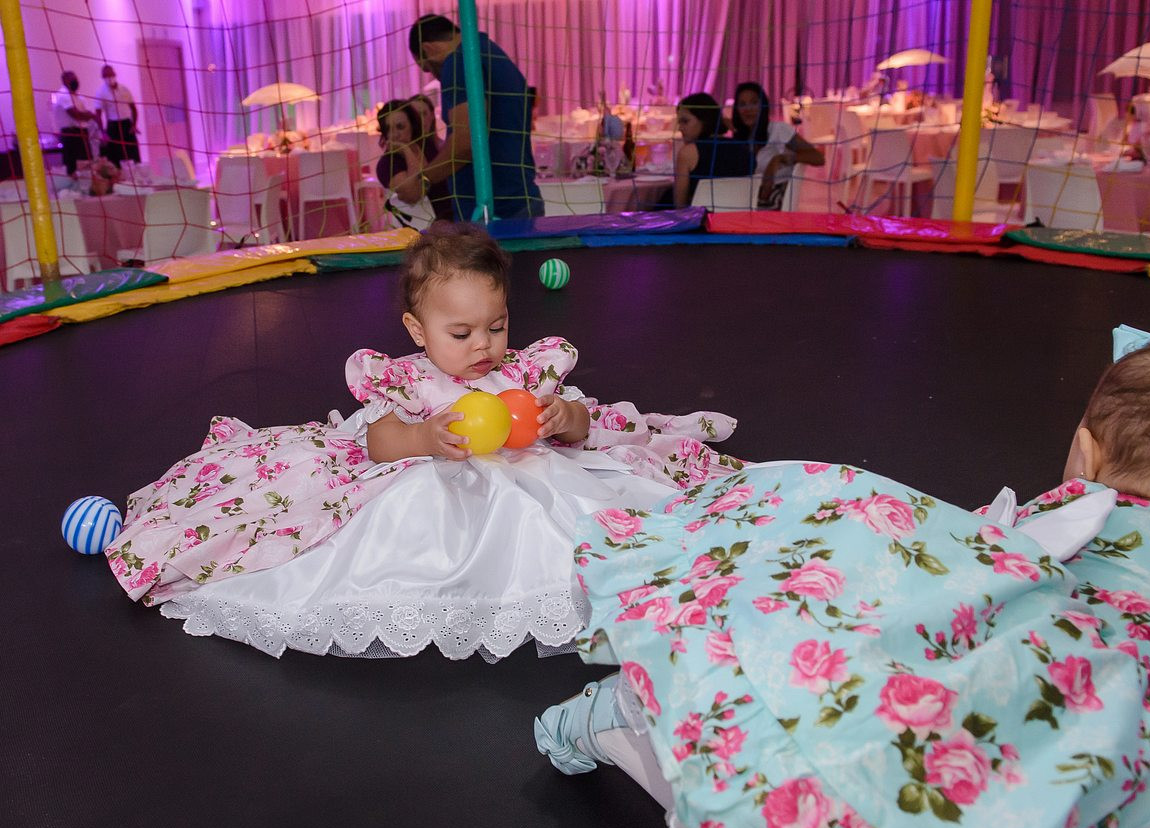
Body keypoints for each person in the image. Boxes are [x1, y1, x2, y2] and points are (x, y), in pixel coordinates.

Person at [536, 323, 1150, 828]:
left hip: (947, 676)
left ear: (1085, 452)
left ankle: (632, 711)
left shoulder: (1058, 511)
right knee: (908, 823)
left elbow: (956, 571)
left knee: (794, 731)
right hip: (1057, 724)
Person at [104, 222, 740, 660]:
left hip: (531, 479)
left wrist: (560, 418)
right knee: (398, 522)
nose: (483, 345)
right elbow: (379, 443)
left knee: (576, 516)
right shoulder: (407, 381)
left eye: (496, 326)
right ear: (418, 330)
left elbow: (580, 427)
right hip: (436, 480)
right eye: (460, 334)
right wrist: (425, 437)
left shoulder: (522, 372)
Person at [407, 14, 543, 220]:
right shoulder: (491, 52)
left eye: (429, 69)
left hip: (495, 211)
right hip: (518, 200)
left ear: (428, 49)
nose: (437, 77)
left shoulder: (459, 61)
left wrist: (422, 181)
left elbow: (466, 142)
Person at [731, 81, 823, 209]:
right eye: (742, 104)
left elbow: (818, 157)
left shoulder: (778, 129)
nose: (748, 109)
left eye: (754, 102)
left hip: (773, 199)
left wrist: (779, 159)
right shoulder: (740, 137)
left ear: (763, 106)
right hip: (746, 195)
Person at [670, 92, 754, 209]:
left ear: (704, 120)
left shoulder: (688, 153)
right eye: (679, 122)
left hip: (701, 219)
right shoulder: (744, 148)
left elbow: (679, 205)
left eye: (685, 121)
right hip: (738, 217)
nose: (680, 128)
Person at [375, 98, 449, 229]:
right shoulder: (387, 164)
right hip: (418, 229)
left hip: (449, 217)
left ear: (412, 126)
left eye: (400, 127)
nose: (394, 134)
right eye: (388, 129)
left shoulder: (428, 146)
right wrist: (406, 150)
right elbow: (413, 193)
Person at [50, 70, 97, 176]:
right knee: (73, 165)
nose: (75, 81)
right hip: (70, 133)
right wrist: (88, 115)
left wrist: (88, 115)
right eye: (72, 79)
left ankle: (86, 183)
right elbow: (75, 114)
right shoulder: (63, 95)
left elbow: (87, 114)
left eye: (76, 78)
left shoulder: (78, 96)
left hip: (82, 132)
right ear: (65, 81)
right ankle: (73, 184)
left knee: (86, 163)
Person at [95, 65, 140, 167]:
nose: (109, 77)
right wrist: (103, 132)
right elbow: (98, 114)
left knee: (132, 155)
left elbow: (133, 108)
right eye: (106, 75)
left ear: (114, 74)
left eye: (110, 74)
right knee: (115, 158)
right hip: (113, 126)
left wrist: (134, 125)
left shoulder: (124, 89)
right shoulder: (100, 92)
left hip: (127, 125)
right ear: (102, 77)